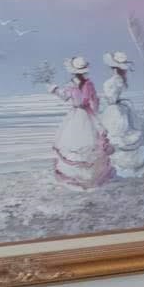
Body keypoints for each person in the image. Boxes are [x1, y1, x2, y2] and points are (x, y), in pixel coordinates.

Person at [49, 56, 112, 190]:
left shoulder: (71, 84)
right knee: (88, 143)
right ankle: (88, 176)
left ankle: (75, 176)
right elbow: (95, 100)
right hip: (86, 113)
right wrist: (94, 114)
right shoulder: (89, 84)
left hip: (76, 114)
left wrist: (55, 90)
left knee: (73, 143)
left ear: (73, 71)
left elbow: (65, 97)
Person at [98, 51, 144, 182]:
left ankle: (120, 167)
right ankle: (121, 167)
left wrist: (109, 99)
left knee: (118, 134)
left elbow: (112, 98)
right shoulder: (118, 80)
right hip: (117, 109)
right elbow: (113, 97)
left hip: (115, 109)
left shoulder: (114, 81)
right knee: (120, 134)